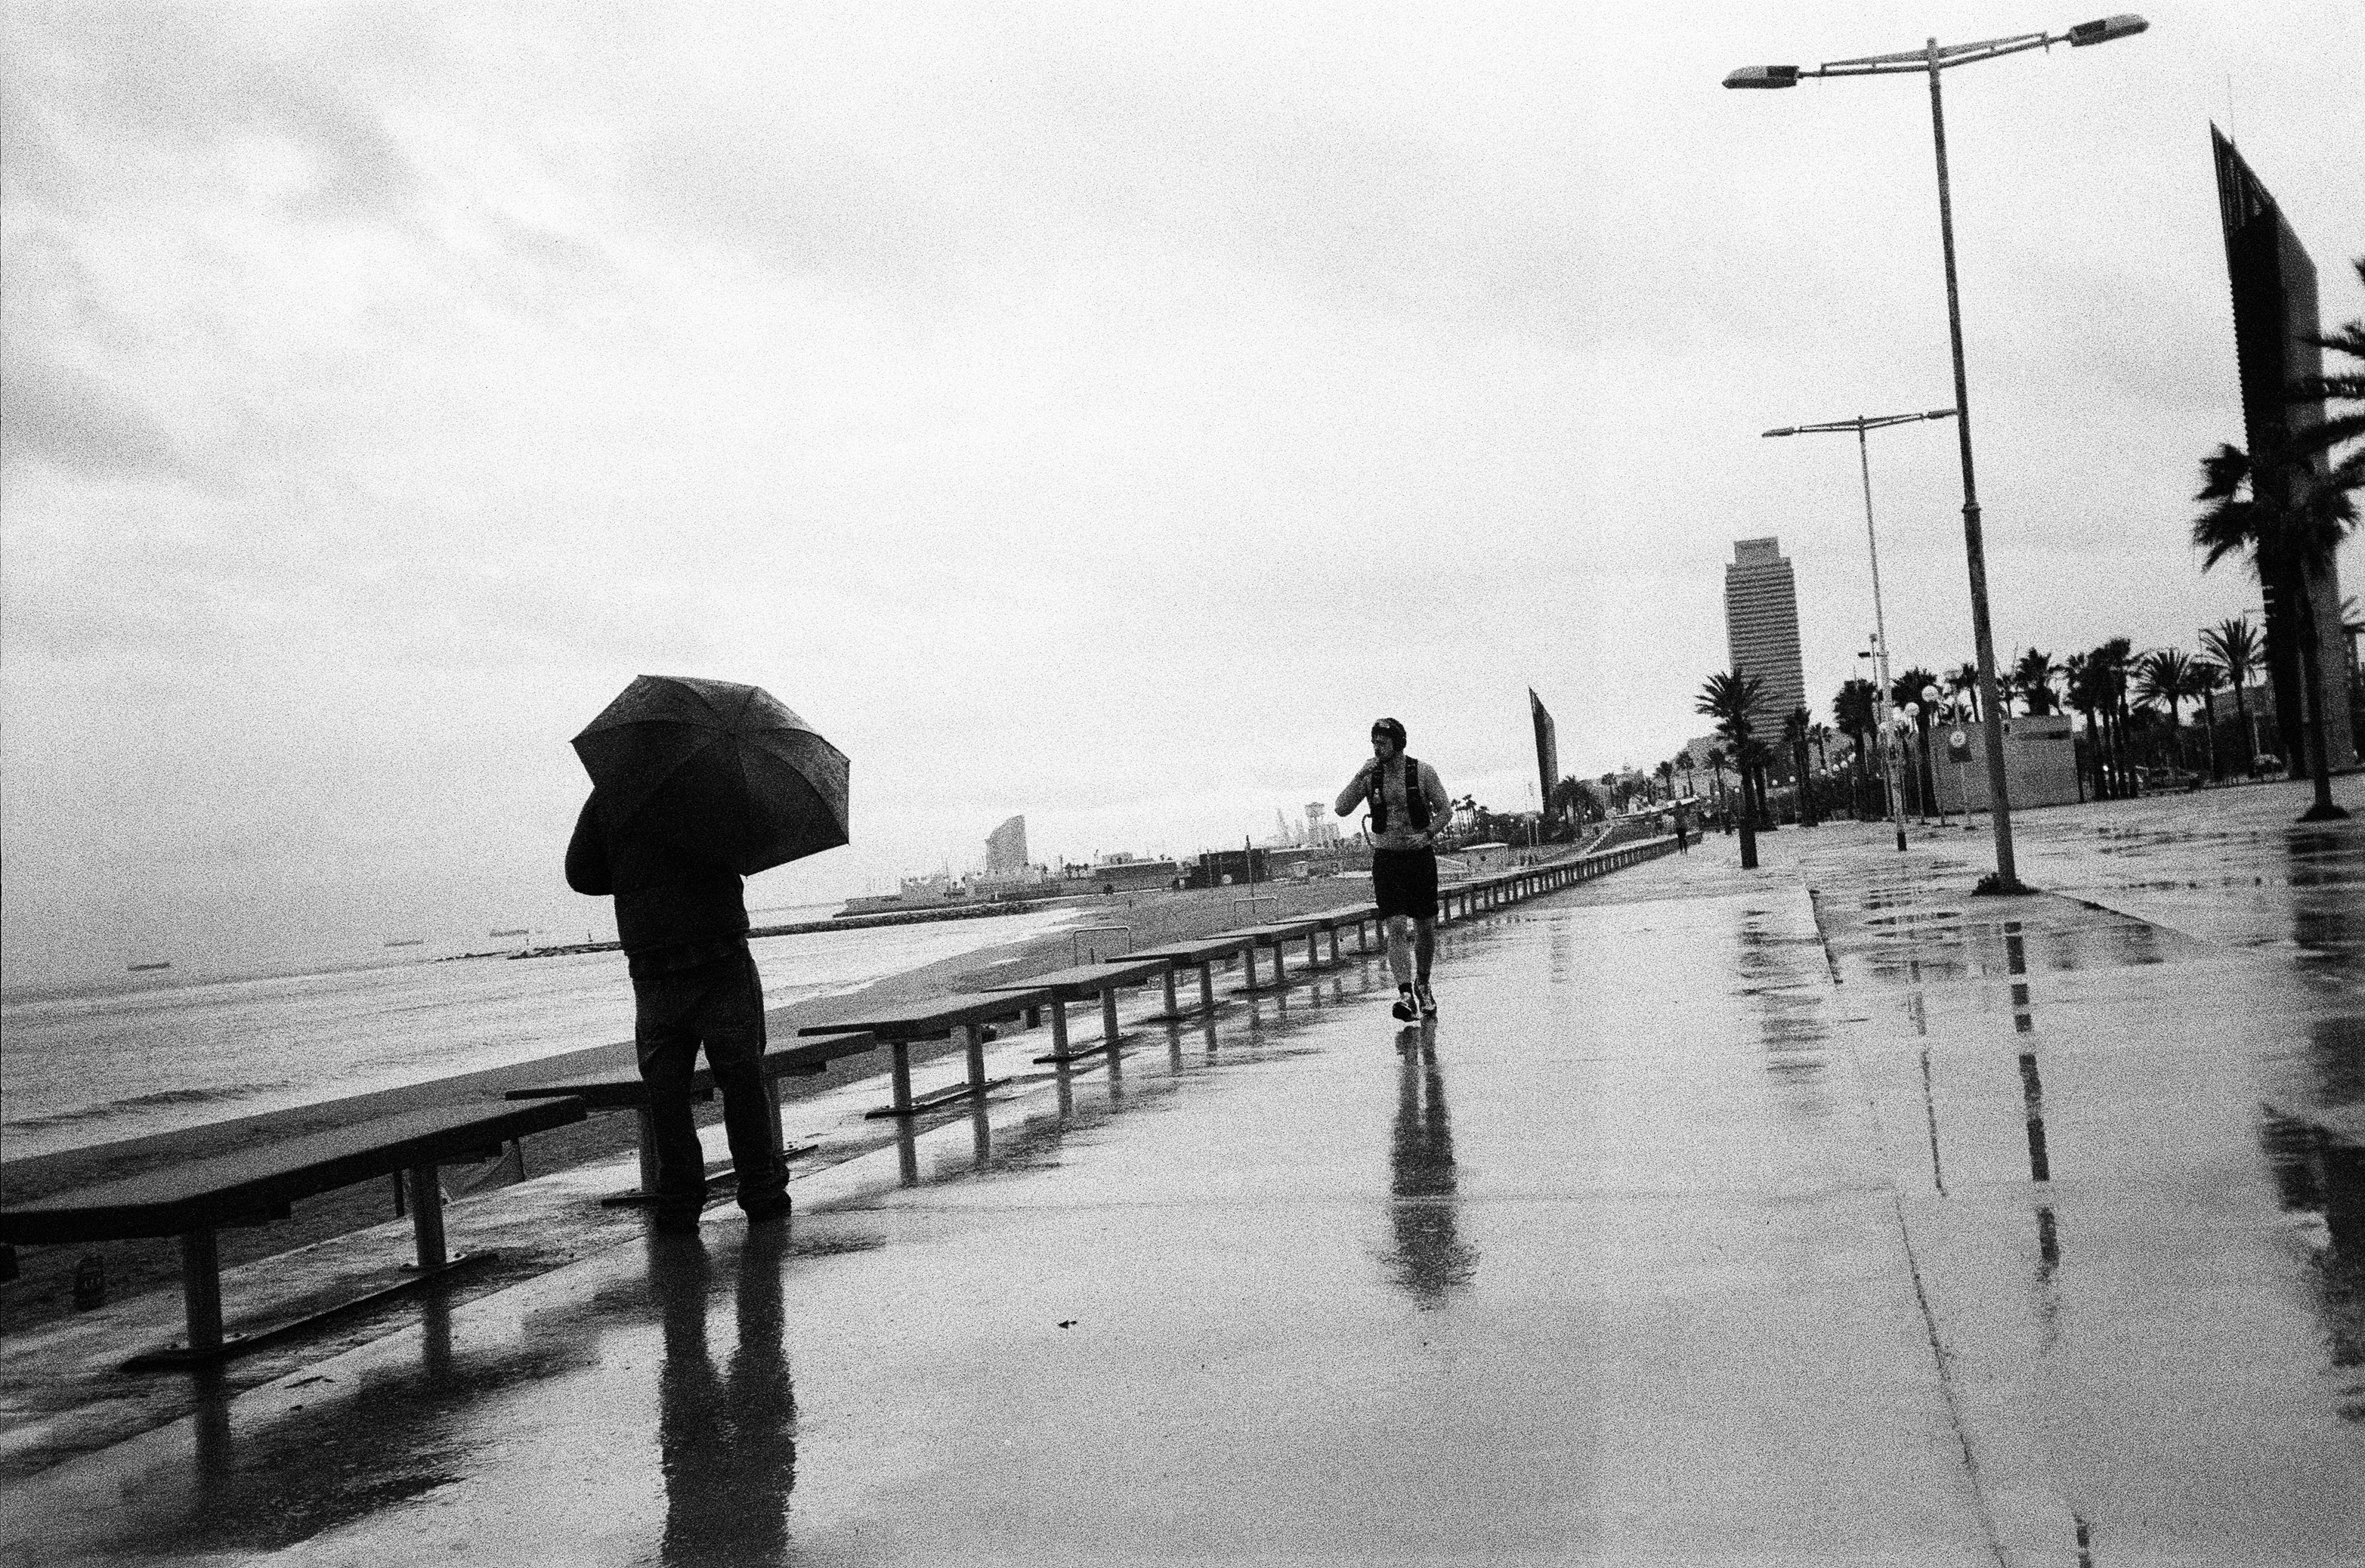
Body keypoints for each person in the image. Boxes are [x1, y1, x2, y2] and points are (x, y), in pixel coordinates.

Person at [567, 790, 790, 1236]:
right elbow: (749, 851)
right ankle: (761, 1194)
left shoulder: (610, 795)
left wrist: (635, 873)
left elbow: (581, 875)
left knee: (667, 1096)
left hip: (653, 968)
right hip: (720, 957)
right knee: (742, 1082)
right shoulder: (714, 787)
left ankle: (680, 1204)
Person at [1335, 717, 1453, 1022]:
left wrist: (1427, 835)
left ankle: (1423, 984)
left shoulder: (1422, 771)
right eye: (1374, 742)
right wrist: (1359, 774)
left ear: (1398, 743)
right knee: (1396, 926)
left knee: (1425, 926)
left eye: (1383, 743)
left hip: (1419, 857)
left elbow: (1445, 810)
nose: (1377, 747)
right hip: (1387, 859)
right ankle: (1404, 993)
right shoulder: (1371, 774)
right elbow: (1341, 808)